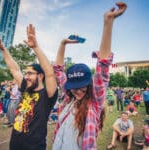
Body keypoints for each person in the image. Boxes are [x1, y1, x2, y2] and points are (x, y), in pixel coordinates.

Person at [52, 2, 127, 150]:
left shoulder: (94, 104)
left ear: (88, 85)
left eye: (82, 88)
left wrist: (108, 23)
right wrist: (63, 44)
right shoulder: (69, 99)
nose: (78, 91)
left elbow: (102, 69)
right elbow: (59, 71)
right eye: (74, 88)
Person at [0, 24, 58, 150]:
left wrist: (35, 47)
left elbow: (50, 72)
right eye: (26, 73)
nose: (26, 76)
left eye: (30, 73)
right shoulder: (26, 87)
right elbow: (14, 69)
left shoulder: (48, 95)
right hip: (15, 144)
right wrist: (3, 50)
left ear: (40, 76)